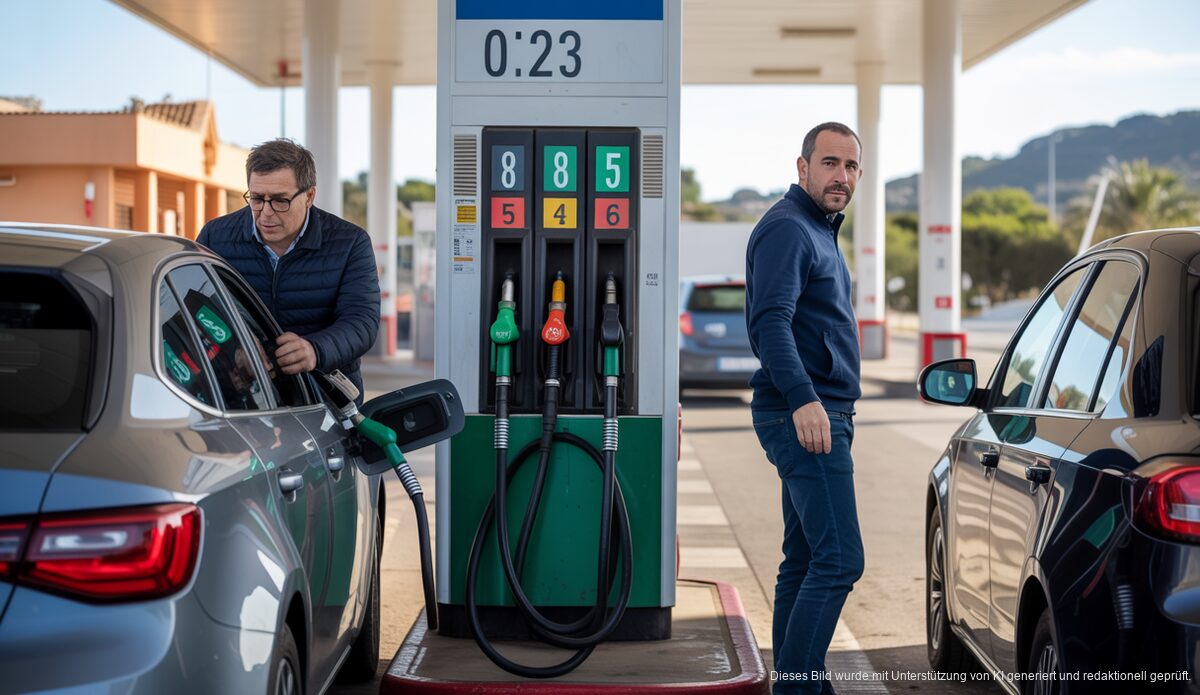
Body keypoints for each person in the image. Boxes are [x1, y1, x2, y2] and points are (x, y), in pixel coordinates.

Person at [744, 122, 866, 694]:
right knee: (840, 560)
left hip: (818, 411)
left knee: (804, 558)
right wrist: (805, 400)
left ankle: (799, 685)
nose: (841, 176)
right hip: (806, 416)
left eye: (851, 167)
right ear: (803, 168)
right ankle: (797, 688)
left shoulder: (818, 229)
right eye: (830, 163)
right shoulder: (789, 228)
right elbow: (770, 322)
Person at [198, 138, 379, 403]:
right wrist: (235, 348)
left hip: (325, 398)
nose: (266, 213)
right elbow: (197, 308)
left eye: (280, 201)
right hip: (241, 398)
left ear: (309, 196)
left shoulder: (350, 243)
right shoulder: (215, 237)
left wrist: (315, 350)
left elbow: (362, 321)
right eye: (257, 199)